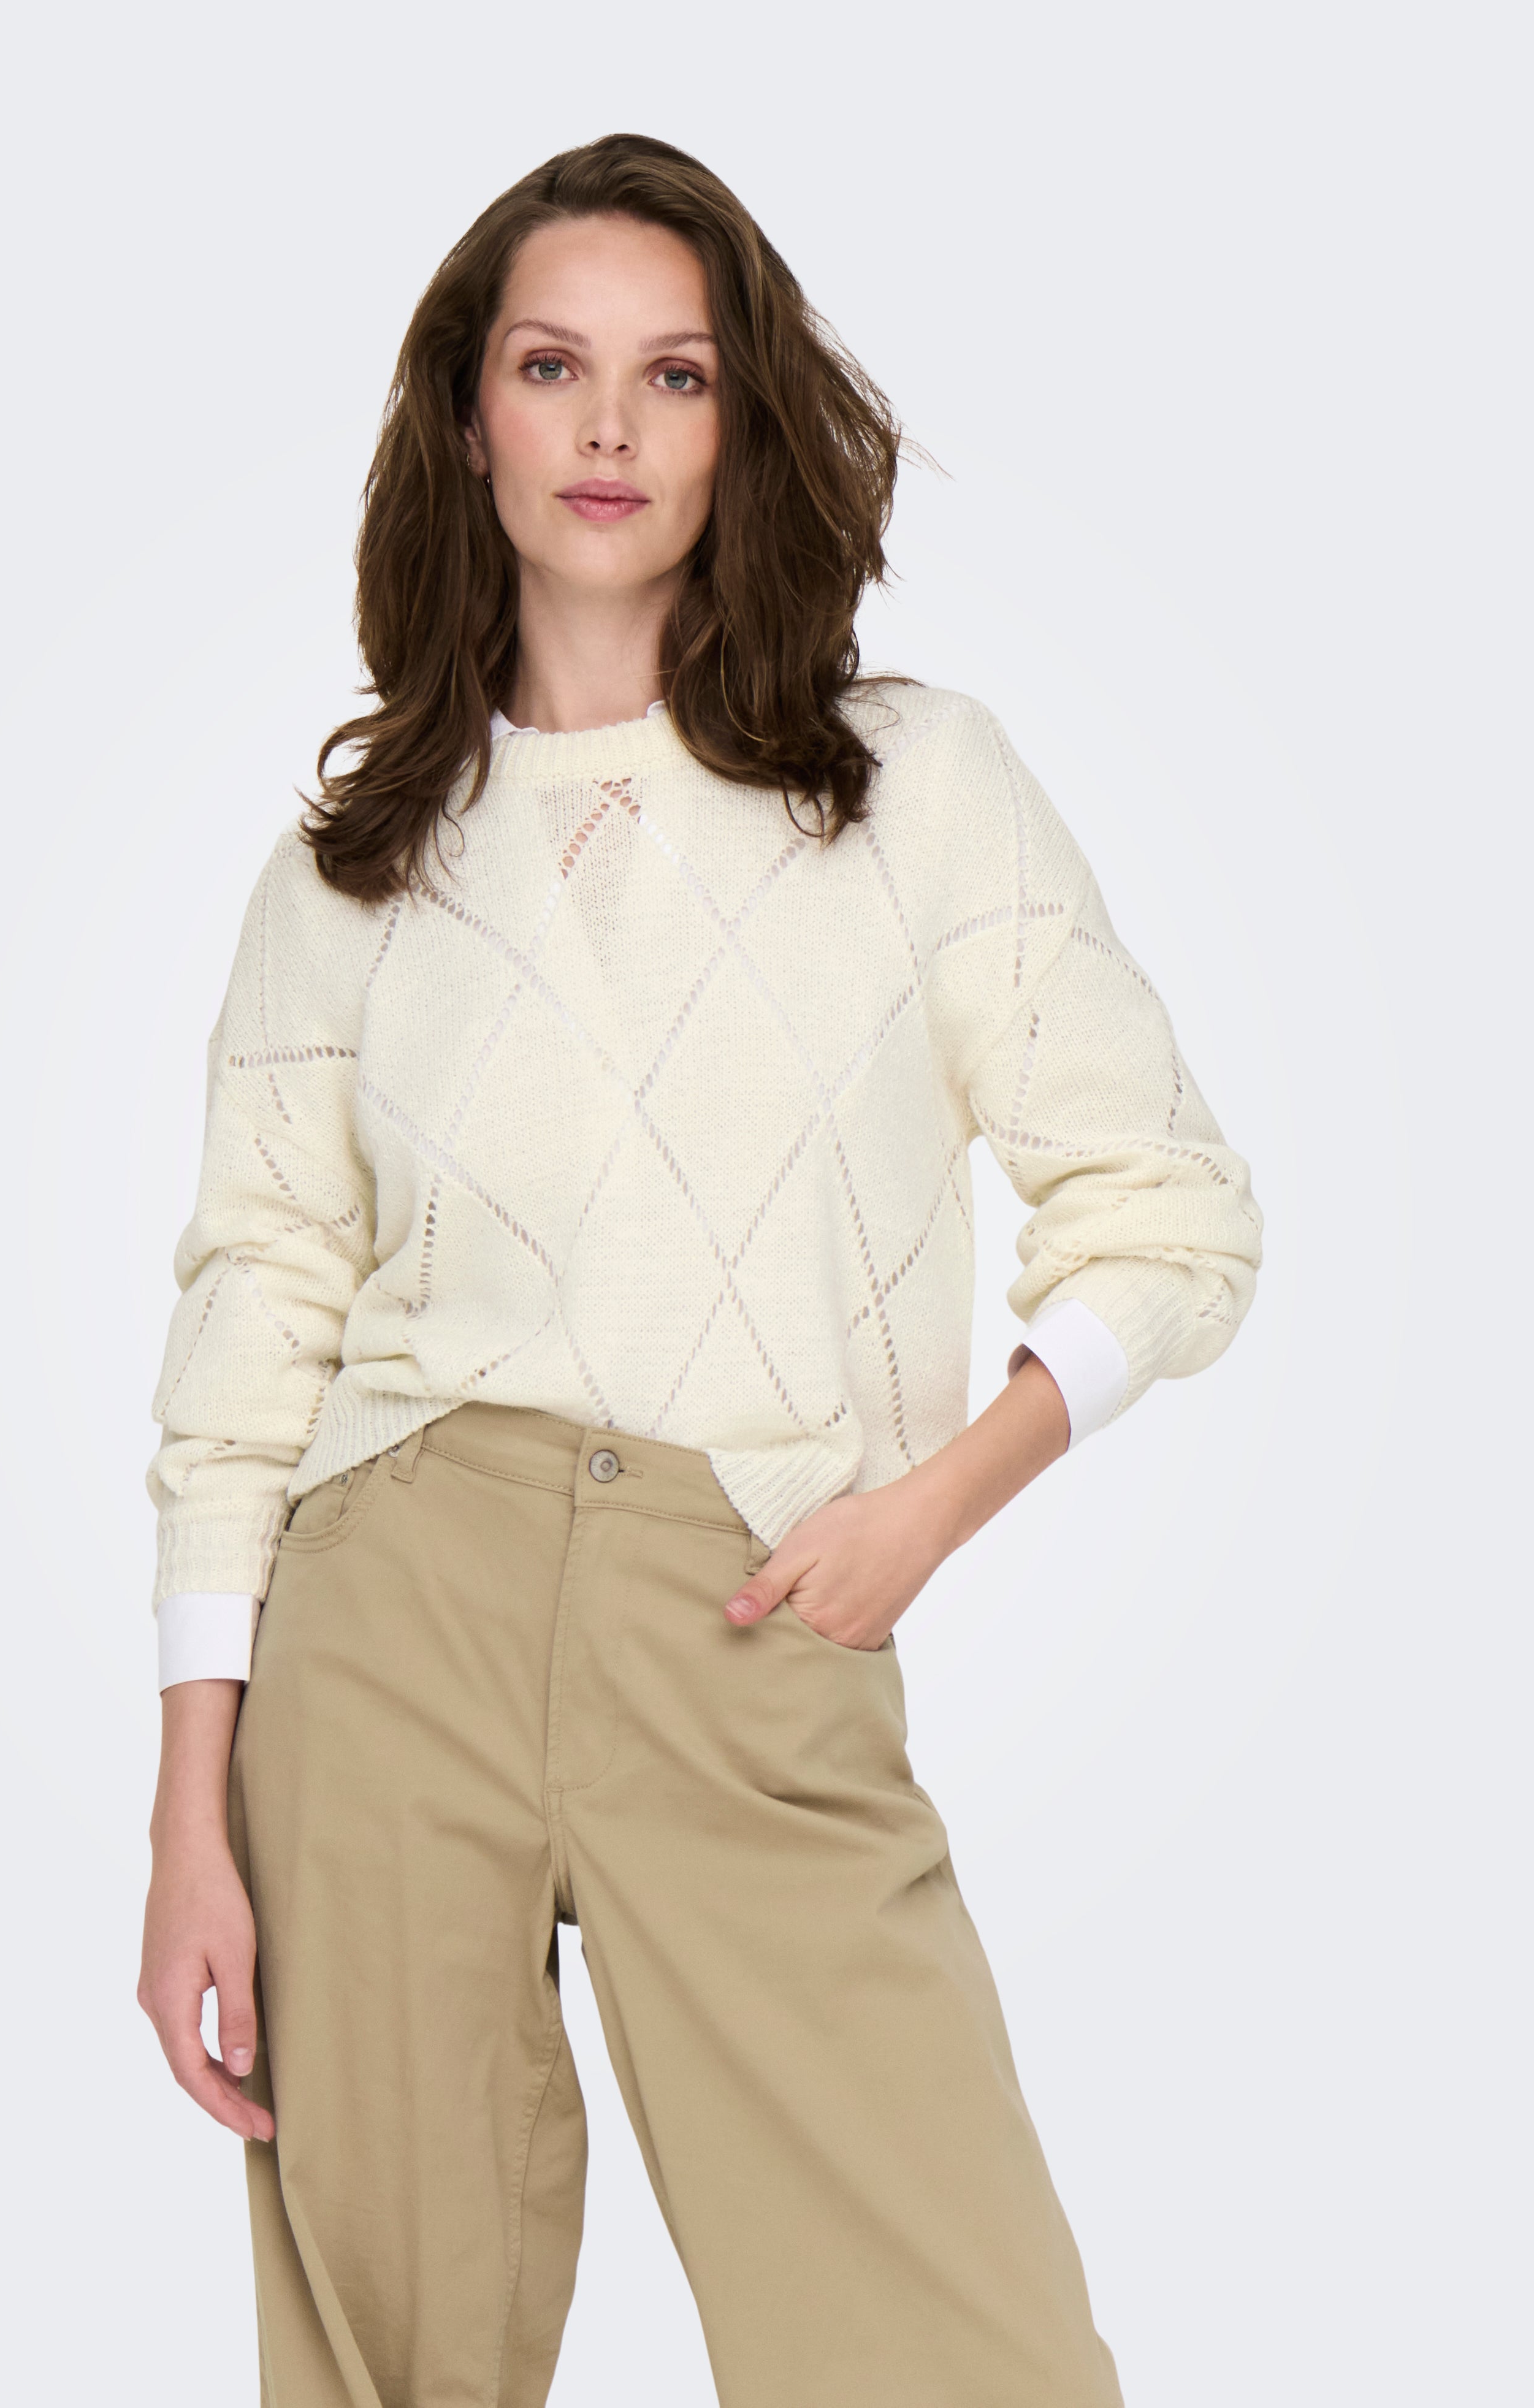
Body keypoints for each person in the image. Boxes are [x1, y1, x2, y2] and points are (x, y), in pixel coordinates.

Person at [136, 131, 1262, 2408]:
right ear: (469, 414)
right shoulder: (347, 874)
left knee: (961, 2360)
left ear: (743, 425)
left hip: (751, 1612)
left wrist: (923, 1514)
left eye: (676, 375)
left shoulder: (911, 787)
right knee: (385, 2368)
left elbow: (1170, 1216)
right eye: (552, 366)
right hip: (386, 1633)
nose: (611, 427)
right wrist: (189, 1819)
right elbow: (249, 1333)